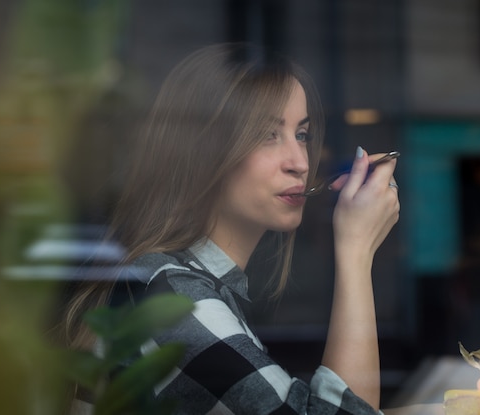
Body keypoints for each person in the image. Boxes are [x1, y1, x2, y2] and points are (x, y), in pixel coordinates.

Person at [63, 42, 400, 415]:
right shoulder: (173, 299)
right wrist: (356, 251)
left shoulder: (181, 283)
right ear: (203, 152)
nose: (300, 162)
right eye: (266, 134)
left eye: (301, 134)